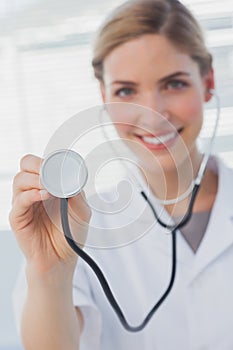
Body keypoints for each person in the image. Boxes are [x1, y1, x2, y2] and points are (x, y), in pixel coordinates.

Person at [10, 0, 233, 349]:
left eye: (173, 84)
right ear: (105, 97)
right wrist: (49, 271)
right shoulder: (74, 225)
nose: (152, 114)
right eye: (126, 91)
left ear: (207, 83)